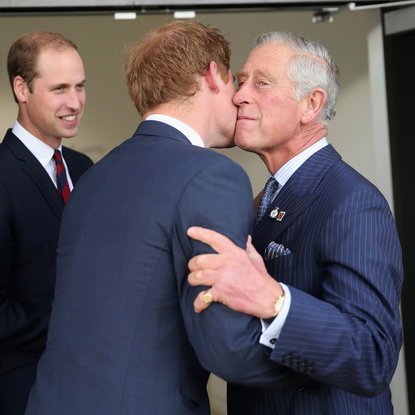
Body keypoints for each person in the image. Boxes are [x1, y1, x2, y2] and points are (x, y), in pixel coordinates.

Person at [24, 22, 318, 415]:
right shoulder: (211, 175)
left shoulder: (93, 177)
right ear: (214, 75)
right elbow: (227, 348)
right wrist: (323, 363)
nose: (241, 97)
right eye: (236, 81)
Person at [187, 31, 404, 414]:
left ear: (311, 105)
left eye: (261, 83)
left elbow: (372, 356)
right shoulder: (264, 198)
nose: (238, 96)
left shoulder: (353, 203)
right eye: (240, 81)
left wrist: (273, 300)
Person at [0, 31, 93, 415]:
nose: (75, 103)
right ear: (22, 88)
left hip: (88, 385)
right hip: (23, 392)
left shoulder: (85, 169)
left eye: (80, 86)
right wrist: (73, 326)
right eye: (59, 89)